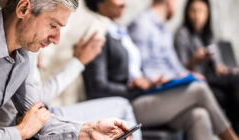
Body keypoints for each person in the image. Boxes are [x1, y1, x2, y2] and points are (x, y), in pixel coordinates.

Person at [82, 0, 239, 139]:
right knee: (199, 90)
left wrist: (147, 82)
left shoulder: (118, 32)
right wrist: (135, 86)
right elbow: (97, 89)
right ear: (100, 2)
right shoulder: (97, 34)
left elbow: (135, 71)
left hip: (140, 96)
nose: (125, 2)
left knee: (199, 115)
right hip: (128, 103)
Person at [0, 0, 133, 139]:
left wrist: (89, 130)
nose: (56, 40)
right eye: (53, 25)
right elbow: (26, 127)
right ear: (23, 9)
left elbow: (37, 117)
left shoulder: (25, 52)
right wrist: (20, 132)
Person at [174, 0, 239, 133]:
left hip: (213, 78)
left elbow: (217, 64)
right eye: (193, 10)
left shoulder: (208, 35)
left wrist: (220, 68)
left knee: (226, 94)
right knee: (235, 80)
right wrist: (195, 60)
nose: (197, 15)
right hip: (199, 78)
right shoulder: (183, 34)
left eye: (202, 11)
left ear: (208, 14)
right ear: (187, 12)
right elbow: (179, 69)